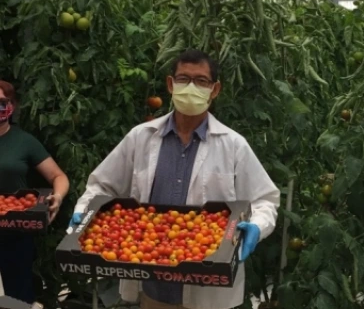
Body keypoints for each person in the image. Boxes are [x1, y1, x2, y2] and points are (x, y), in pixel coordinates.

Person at [69, 49, 281, 309]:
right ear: (171, 84)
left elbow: (265, 199)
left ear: (214, 90)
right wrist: (84, 211)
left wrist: (257, 226)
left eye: (201, 81)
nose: (191, 87)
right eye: (183, 79)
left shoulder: (234, 145)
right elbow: (102, 184)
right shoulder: (141, 137)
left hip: (207, 288)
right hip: (153, 285)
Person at [0, 80, 70, 304]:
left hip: (15, 229)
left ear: (12, 106)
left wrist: (57, 197)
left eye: (2, 102)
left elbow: (58, 176)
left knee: (17, 294)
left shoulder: (24, 141)